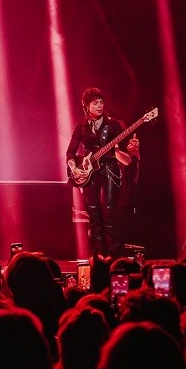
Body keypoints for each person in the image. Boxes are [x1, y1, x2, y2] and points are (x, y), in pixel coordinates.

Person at [65, 87, 140, 258]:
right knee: (93, 215)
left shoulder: (113, 125)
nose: (99, 106)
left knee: (109, 214)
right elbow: (70, 152)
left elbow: (128, 159)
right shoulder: (82, 125)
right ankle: (98, 255)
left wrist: (123, 151)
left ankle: (113, 257)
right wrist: (75, 168)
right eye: (95, 103)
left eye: (101, 102)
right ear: (86, 106)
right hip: (89, 174)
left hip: (109, 172)